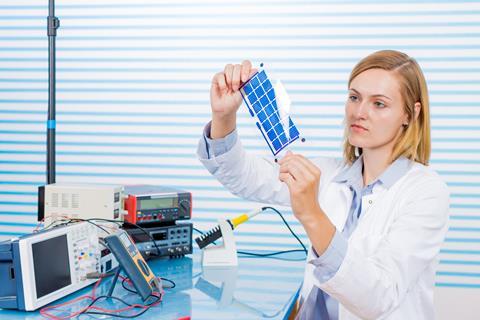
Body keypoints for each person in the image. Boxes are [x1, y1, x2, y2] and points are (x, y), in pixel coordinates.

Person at [196, 50, 450, 320]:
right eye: (354, 97)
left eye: (379, 104)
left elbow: (378, 298)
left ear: (410, 114)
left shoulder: (426, 192)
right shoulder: (329, 173)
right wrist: (223, 117)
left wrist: (311, 214)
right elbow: (246, 178)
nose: (359, 112)